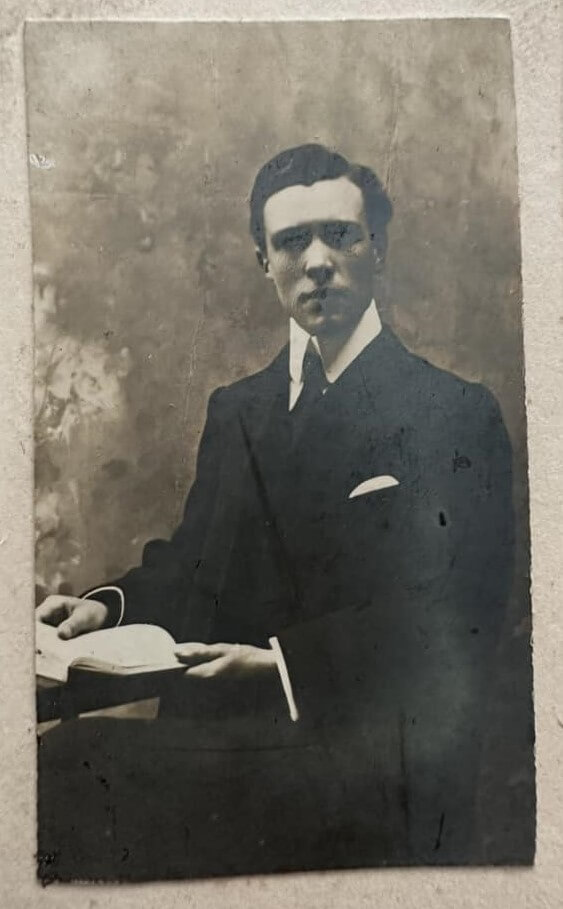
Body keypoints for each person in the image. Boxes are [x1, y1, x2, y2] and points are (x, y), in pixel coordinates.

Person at [36, 144, 514, 881]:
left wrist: (278, 665)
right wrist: (107, 606)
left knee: (66, 767)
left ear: (376, 248)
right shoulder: (239, 409)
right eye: (292, 241)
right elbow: (196, 558)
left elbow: (453, 616)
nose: (317, 259)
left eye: (340, 235)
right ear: (263, 260)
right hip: (224, 739)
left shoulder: (449, 412)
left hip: (363, 753)